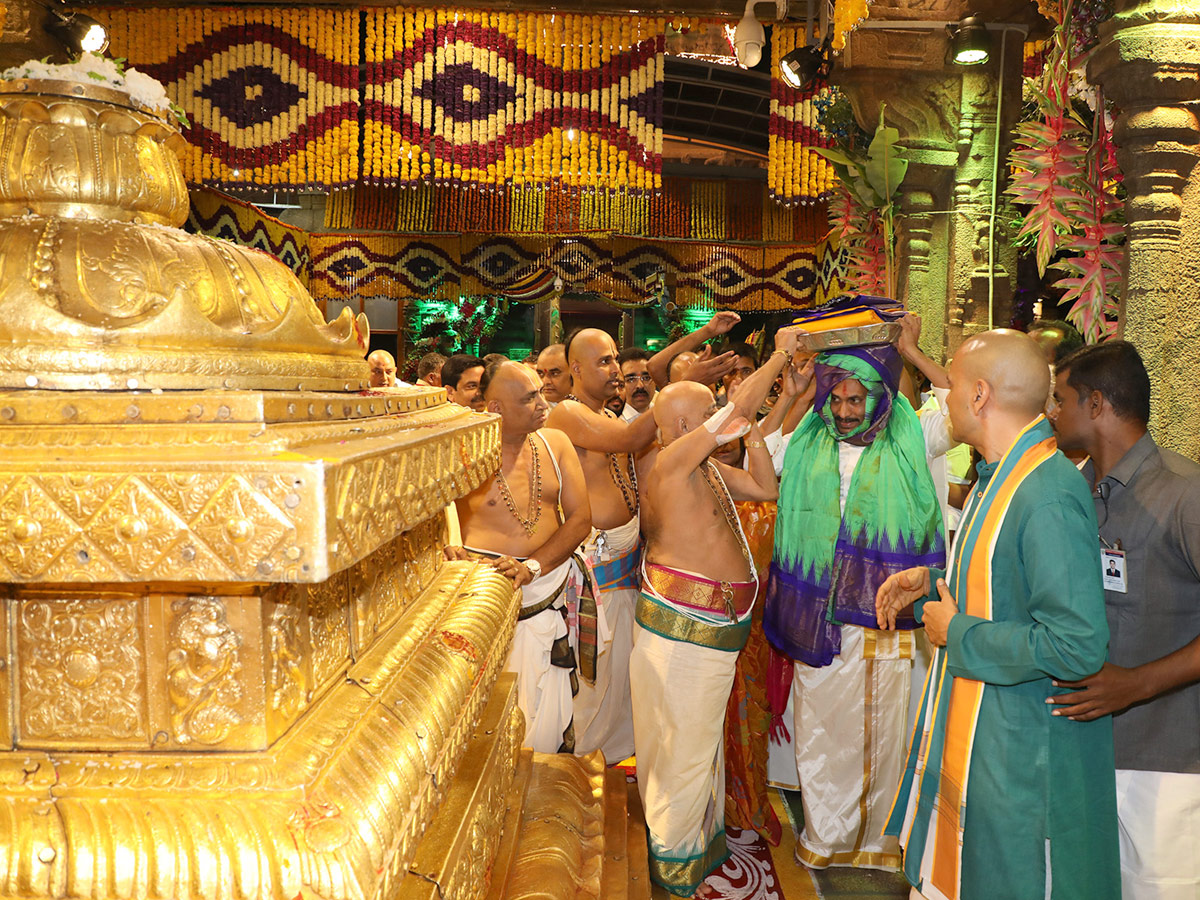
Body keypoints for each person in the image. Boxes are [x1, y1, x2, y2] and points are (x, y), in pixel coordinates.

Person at [876, 329, 1119, 900]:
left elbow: (1076, 645)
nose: (946, 398)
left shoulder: (1047, 492)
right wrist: (934, 581)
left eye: (953, 385)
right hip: (984, 735)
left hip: (1019, 749)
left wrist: (957, 634)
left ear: (980, 394)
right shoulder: (1003, 473)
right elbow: (1002, 583)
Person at [632, 329, 800, 898]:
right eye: (711, 414)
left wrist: (751, 432)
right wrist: (779, 354)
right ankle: (673, 865)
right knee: (683, 746)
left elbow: (764, 486)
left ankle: (696, 845)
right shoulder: (671, 462)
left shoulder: (704, 467)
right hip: (686, 629)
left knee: (697, 744)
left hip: (710, 629)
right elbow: (738, 406)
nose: (723, 420)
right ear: (686, 427)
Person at [766, 342, 945, 872]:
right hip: (816, 615)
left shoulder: (913, 431)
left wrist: (914, 350)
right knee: (821, 727)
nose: (843, 411)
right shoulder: (809, 434)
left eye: (855, 400)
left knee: (882, 732)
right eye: (835, 397)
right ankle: (824, 836)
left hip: (883, 612)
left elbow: (964, 399)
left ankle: (878, 843)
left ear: (883, 394)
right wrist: (792, 397)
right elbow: (759, 447)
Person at [1047, 340, 1200, 900]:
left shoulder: (1184, 493)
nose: (1051, 413)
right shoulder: (1073, 492)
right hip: (1086, 749)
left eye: (1059, 400)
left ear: (1096, 405)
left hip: (1168, 763)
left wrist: (1136, 685)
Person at [445, 361, 592, 753]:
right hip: (481, 598)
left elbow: (580, 519)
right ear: (494, 408)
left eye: (541, 392)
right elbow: (432, 514)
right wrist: (451, 548)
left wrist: (532, 567)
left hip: (544, 587)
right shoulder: (461, 448)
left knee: (544, 720)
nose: (543, 404)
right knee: (487, 720)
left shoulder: (555, 442)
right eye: (529, 398)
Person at [545, 328, 659, 762]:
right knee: (591, 692)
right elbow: (631, 441)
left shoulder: (609, 416)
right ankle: (572, 783)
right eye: (605, 362)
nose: (615, 370)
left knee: (621, 689)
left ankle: (606, 771)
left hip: (625, 569)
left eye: (615, 359)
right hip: (598, 573)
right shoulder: (566, 415)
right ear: (575, 369)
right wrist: (671, 395)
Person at [617, 347, 656, 421]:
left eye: (646, 378)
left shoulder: (665, 416)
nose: (640, 385)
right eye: (631, 379)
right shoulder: (616, 424)